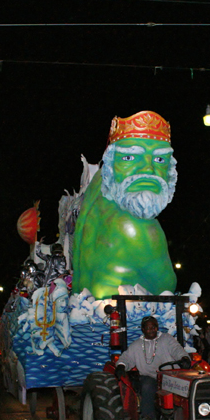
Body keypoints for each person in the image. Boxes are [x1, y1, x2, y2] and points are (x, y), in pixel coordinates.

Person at [72, 111, 179, 298]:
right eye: (129, 158)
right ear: (111, 164)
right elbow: (166, 285)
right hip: (125, 319)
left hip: (84, 311)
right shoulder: (138, 229)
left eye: (160, 159)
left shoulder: (96, 188)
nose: (148, 169)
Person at [115, 316, 189, 420]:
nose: (151, 330)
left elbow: (177, 349)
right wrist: (121, 366)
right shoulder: (136, 345)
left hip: (169, 376)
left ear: (157, 328)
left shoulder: (166, 339)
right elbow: (127, 358)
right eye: (148, 328)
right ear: (143, 329)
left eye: (153, 327)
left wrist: (184, 357)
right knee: (147, 386)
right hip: (150, 376)